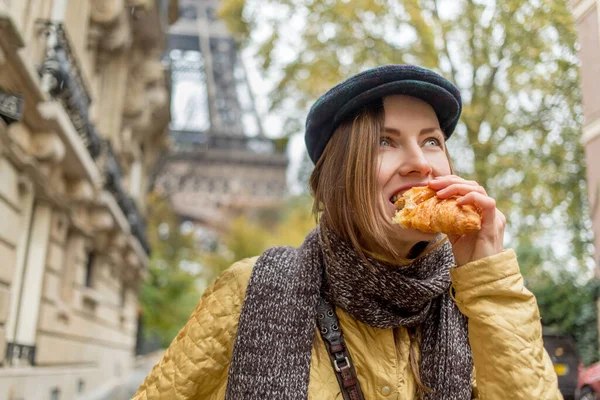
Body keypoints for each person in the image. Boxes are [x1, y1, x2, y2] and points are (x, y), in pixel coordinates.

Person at [133, 65, 561, 399]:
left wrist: (489, 280)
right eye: (385, 141)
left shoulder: (478, 300)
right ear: (339, 176)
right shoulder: (248, 291)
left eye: (432, 141)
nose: (421, 162)